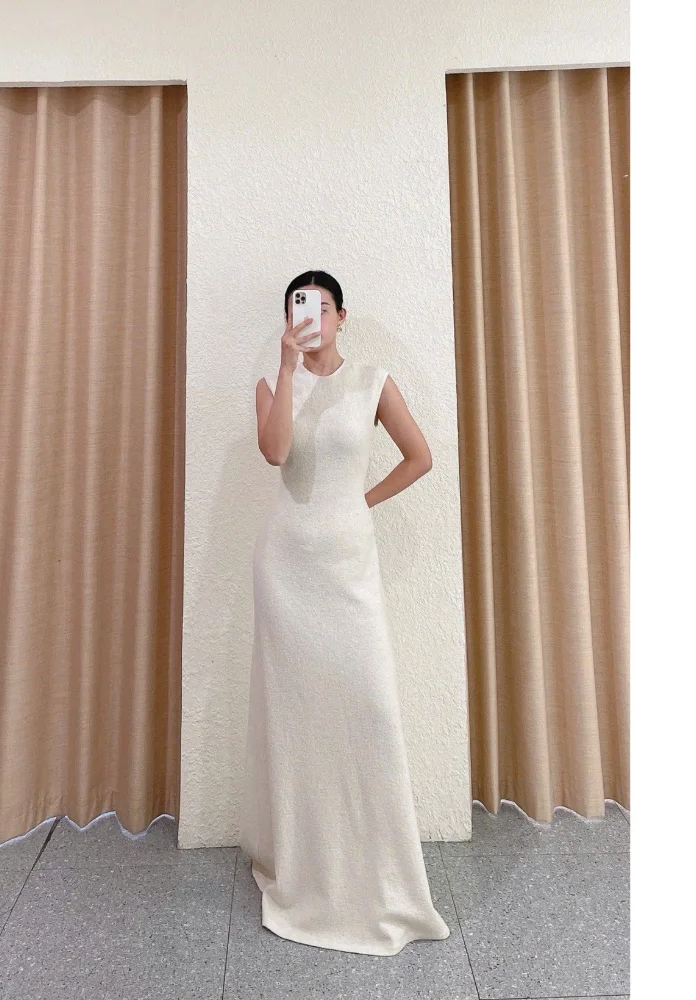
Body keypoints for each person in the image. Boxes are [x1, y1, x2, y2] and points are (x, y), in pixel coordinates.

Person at [238, 269, 451, 956]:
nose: (311, 317)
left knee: (371, 709)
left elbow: (420, 458)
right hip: (285, 567)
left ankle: (381, 875)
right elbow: (276, 452)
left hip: (347, 566)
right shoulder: (272, 386)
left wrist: (361, 502)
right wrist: (284, 367)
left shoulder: (372, 381)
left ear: (341, 316)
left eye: (322, 307)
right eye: (299, 308)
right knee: (298, 719)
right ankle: (305, 867)